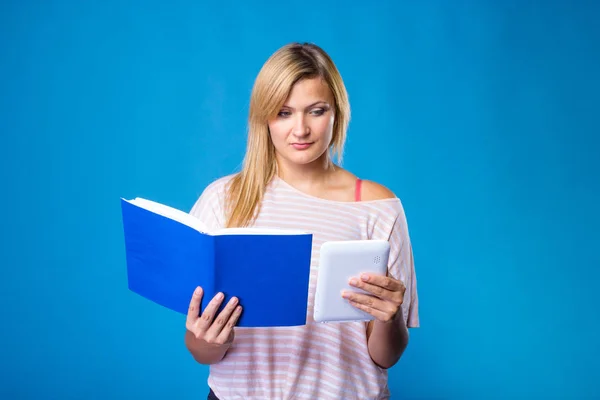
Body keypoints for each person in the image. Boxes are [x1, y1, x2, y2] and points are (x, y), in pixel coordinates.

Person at [185, 42, 419, 399]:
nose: (300, 130)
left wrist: (390, 316)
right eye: (283, 112)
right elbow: (200, 351)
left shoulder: (378, 207)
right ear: (264, 117)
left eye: (316, 111)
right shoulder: (223, 201)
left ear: (336, 113)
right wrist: (210, 338)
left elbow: (385, 356)